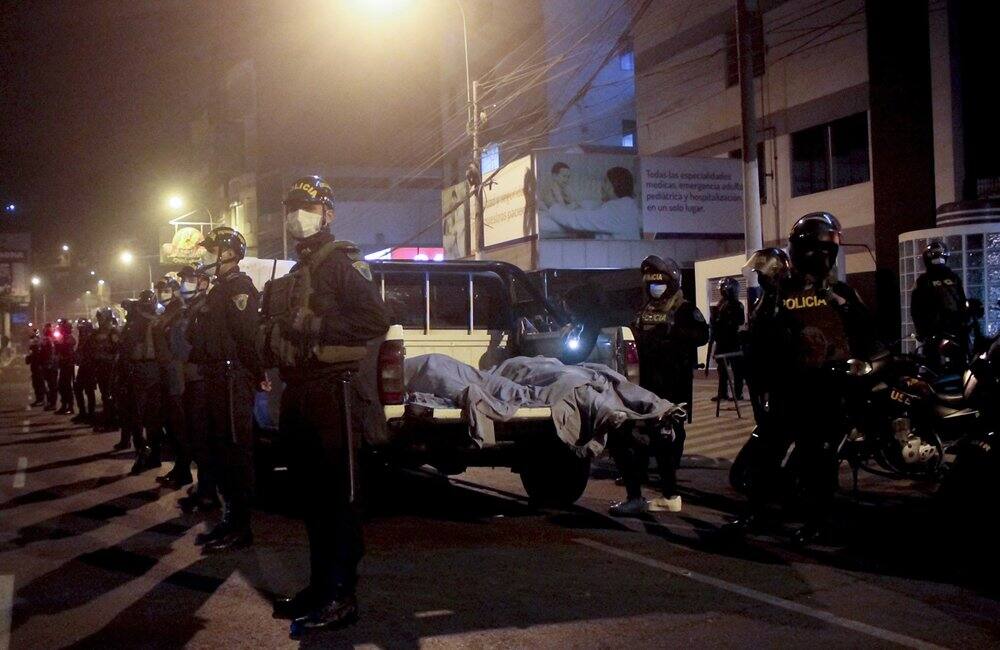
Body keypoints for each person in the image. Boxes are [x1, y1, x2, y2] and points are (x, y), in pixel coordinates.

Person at [263, 176, 389, 633]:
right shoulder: (298, 270)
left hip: (334, 394)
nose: (298, 215)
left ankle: (342, 595)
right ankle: (319, 588)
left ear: (328, 214)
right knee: (312, 500)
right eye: (292, 207)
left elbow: (375, 319)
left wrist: (316, 324)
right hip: (300, 393)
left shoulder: (341, 263)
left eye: (307, 207)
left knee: (339, 499)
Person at [727, 213, 879, 545]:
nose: (820, 257)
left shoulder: (841, 293)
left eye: (825, 250)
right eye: (814, 249)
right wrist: (762, 383)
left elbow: (867, 337)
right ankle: (757, 512)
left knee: (818, 461)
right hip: (788, 388)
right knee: (767, 454)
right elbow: (760, 338)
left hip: (824, 392)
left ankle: (816, 522)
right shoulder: (782, 292)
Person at [608, 255, 709, 517]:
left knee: (664, 438)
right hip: (646, 386)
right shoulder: (644, 311)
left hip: (673, 386)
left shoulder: (684, 310)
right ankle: (644, 490)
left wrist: (674, 332)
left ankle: (662, 493)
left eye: (660, 283)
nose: (655, 287)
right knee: (633, 437)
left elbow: (702, 335)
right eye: (651, 283)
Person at [187, 226, 262, 553]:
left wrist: (258, 373)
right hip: (216, 377)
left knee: (235, 452)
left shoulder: (239, 288)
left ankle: (241, 526)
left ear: (227, 253)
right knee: (219, 451)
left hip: (233, 378)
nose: (205, 255)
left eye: (210, 249)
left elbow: (247, 337)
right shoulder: (218, 290)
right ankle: (229, 520)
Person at [177, 266, 221, 514]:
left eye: (191, 279)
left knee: (204, 439)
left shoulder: (205, 308)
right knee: (197, 437)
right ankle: (203, 488)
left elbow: (198, 343)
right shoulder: (191, 308)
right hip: (191, 378)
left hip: (202, 379)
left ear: (204, 282)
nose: (186, 283)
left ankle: (208, 493)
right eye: (184, 279)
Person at [153, 274, 194, 488]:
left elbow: (181, 349)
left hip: (177, 378)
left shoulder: (179, 313)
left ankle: (184, 471)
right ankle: (180, 467)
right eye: (160, 291)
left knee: (179, 427)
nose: (162, 294)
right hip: (168, 376)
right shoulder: (167, 313)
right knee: (172, 426)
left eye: (166, 290)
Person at [120, 290, 164, 473]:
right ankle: (153, 455)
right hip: (152, 371)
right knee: (152, 417)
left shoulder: (137, 321)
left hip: (141, 371)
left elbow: (126, 349)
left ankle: (144, 452)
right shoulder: (157, 319)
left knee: (137, 416)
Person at [911, 241, 970, 371]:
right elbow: (962, 301)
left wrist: (921, 331)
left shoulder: (925, 280)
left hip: (943, 330)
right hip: (946, 329)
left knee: (936, 365)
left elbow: (915, 309)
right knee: (955, 364)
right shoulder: (951, 278)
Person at [709, 277, 746, 402]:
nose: (722, 292)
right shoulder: (720, 304)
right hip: (721, 341)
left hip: (733, 341)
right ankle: (722, 393)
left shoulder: (737, 305)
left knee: (737, 370)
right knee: (722, 370)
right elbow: (716, 322)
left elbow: (740, 321)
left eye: (725, 289)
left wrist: (726, 321)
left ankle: (738, 393)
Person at [91, 307, 120, 433]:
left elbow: (118, 349)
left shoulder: (113, 332)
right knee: (105, 395)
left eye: (101, 317)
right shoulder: (97, 333)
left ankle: (112, 422)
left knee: (110, 396)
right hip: (101, 367)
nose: (99, 320)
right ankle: (108, 420)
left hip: (111, 368)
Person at [71, 319, 98, 423]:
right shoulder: (83, 338)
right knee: (78, 389)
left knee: (89, 391)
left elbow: (92, 353)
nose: (80, 330)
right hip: (83, 367)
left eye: (82, 328)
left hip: (90, 367)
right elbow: (79, 351)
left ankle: (91, 414)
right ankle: (83, 413)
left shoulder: (91, 338)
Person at [54, 319, 77, 415]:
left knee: (66, 386)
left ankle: (70, 407)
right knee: (62, 386)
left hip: (68, 364)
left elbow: (69, 345)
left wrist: (59, 344)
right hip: (64, 364)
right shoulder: (63, 337)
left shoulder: (69, 337)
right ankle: (64, 405)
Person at [40, 324, 59, 410]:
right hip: (49, 364)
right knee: (50, 385)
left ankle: (52, 403)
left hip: (50, 365)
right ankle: (50, 402)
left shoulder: (49, 340)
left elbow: (51, 353)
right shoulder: (48, 339)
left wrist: (49, 363)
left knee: (51, 385)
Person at [25, 330, 47, 407]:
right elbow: (28, 360)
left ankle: (41, 399)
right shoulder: (33, 349)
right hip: (34, 368)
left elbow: (41, 358)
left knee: (39, 384)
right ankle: (39, 399)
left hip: (38, 368)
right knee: (36, 385)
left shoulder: (39, 347)